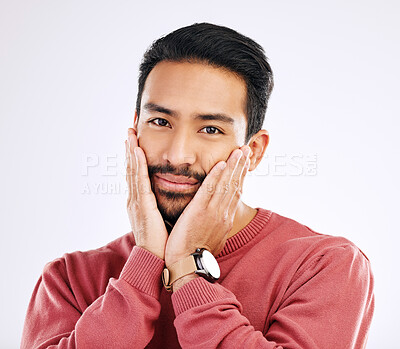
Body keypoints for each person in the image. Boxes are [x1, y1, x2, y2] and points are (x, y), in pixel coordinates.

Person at [21, 22, 374, 348]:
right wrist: (143, 268)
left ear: (252, 151)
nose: (178, 156)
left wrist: (188, 269)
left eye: (210, 129)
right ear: (135, 127)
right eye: (160, 121)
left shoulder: (323, 266)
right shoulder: (68, 279)